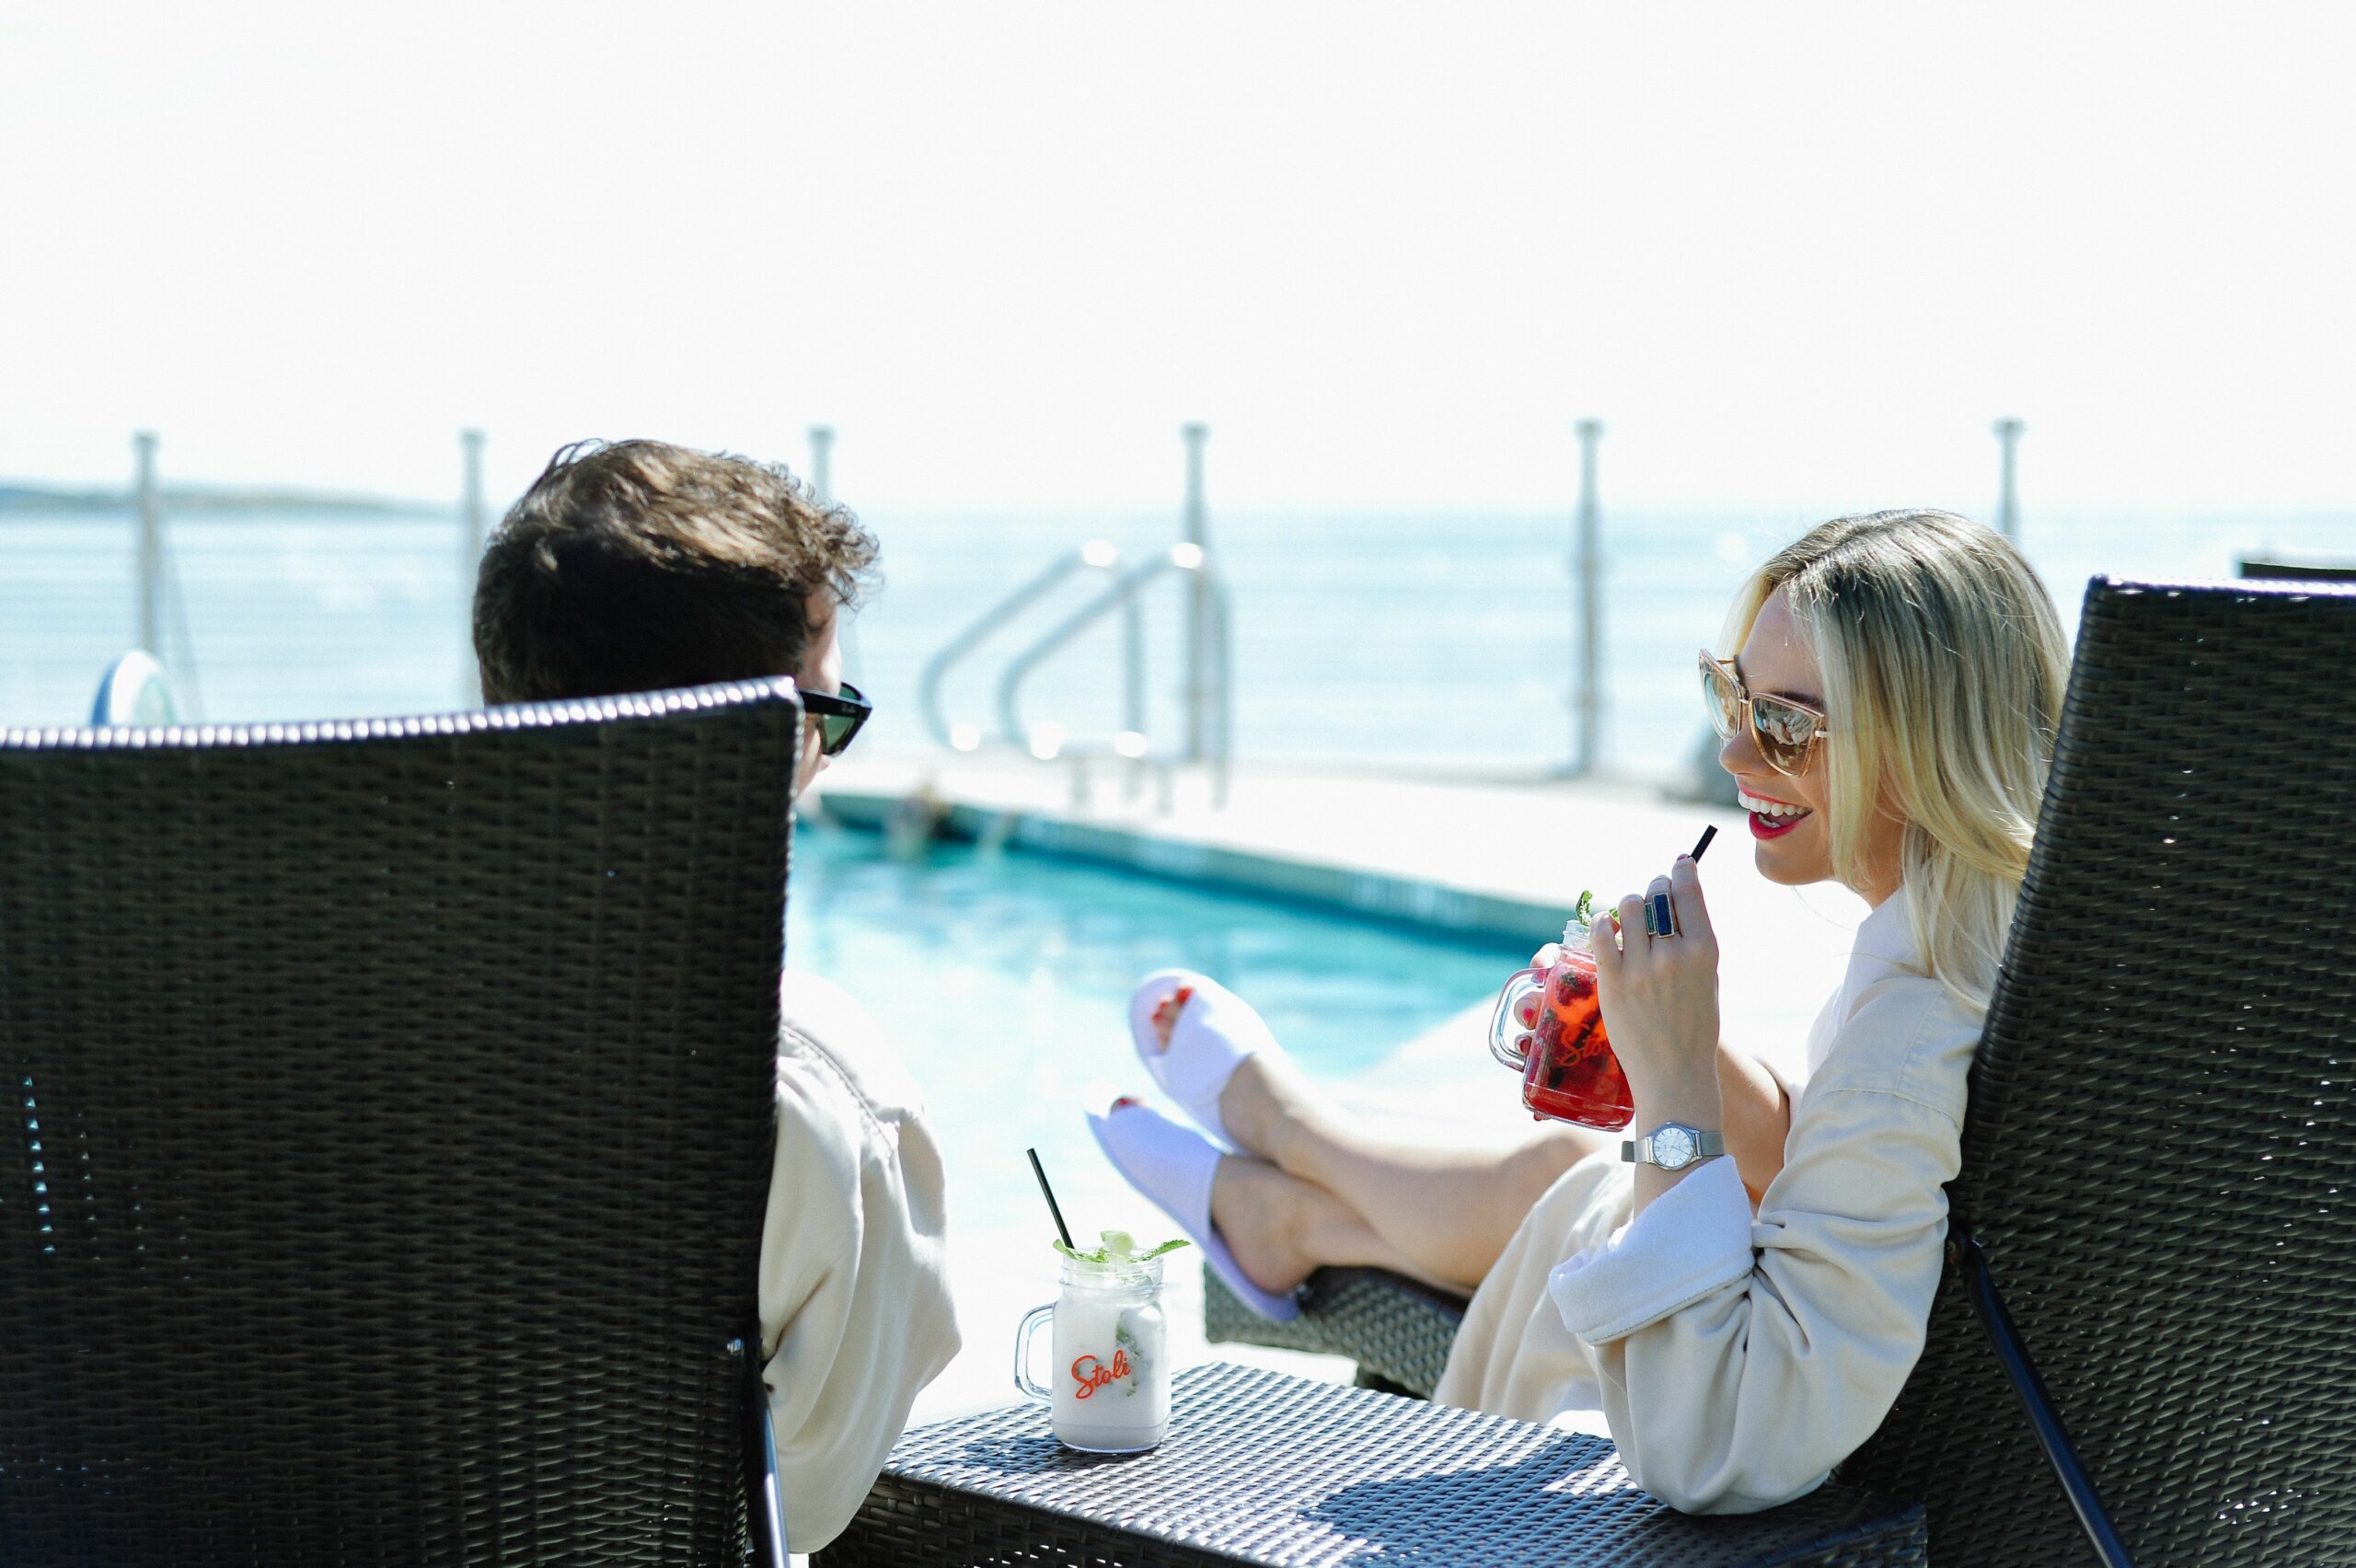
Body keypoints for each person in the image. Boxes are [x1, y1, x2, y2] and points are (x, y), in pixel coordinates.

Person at [1091, 509, 2069, 1513]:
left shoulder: (1909, 1034)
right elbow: (1855, 1173)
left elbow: (1721, 1446)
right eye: (1729, 694)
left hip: (1855, 1488)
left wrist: (1676, 1095)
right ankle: (1291, 1203)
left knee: (1573, 1194)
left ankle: (1293, 1168)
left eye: (1786, 726)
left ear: (1927, 745)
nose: (1735, 755)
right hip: (2008, 1427)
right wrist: (1673, 1038)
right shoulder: (2029, 946)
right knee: (1565, 1175)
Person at [473, 438, 960, 1550]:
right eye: (827, 723)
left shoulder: (207, 1014)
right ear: (756, 740)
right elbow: (803, 1494)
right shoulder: (797, 1076)